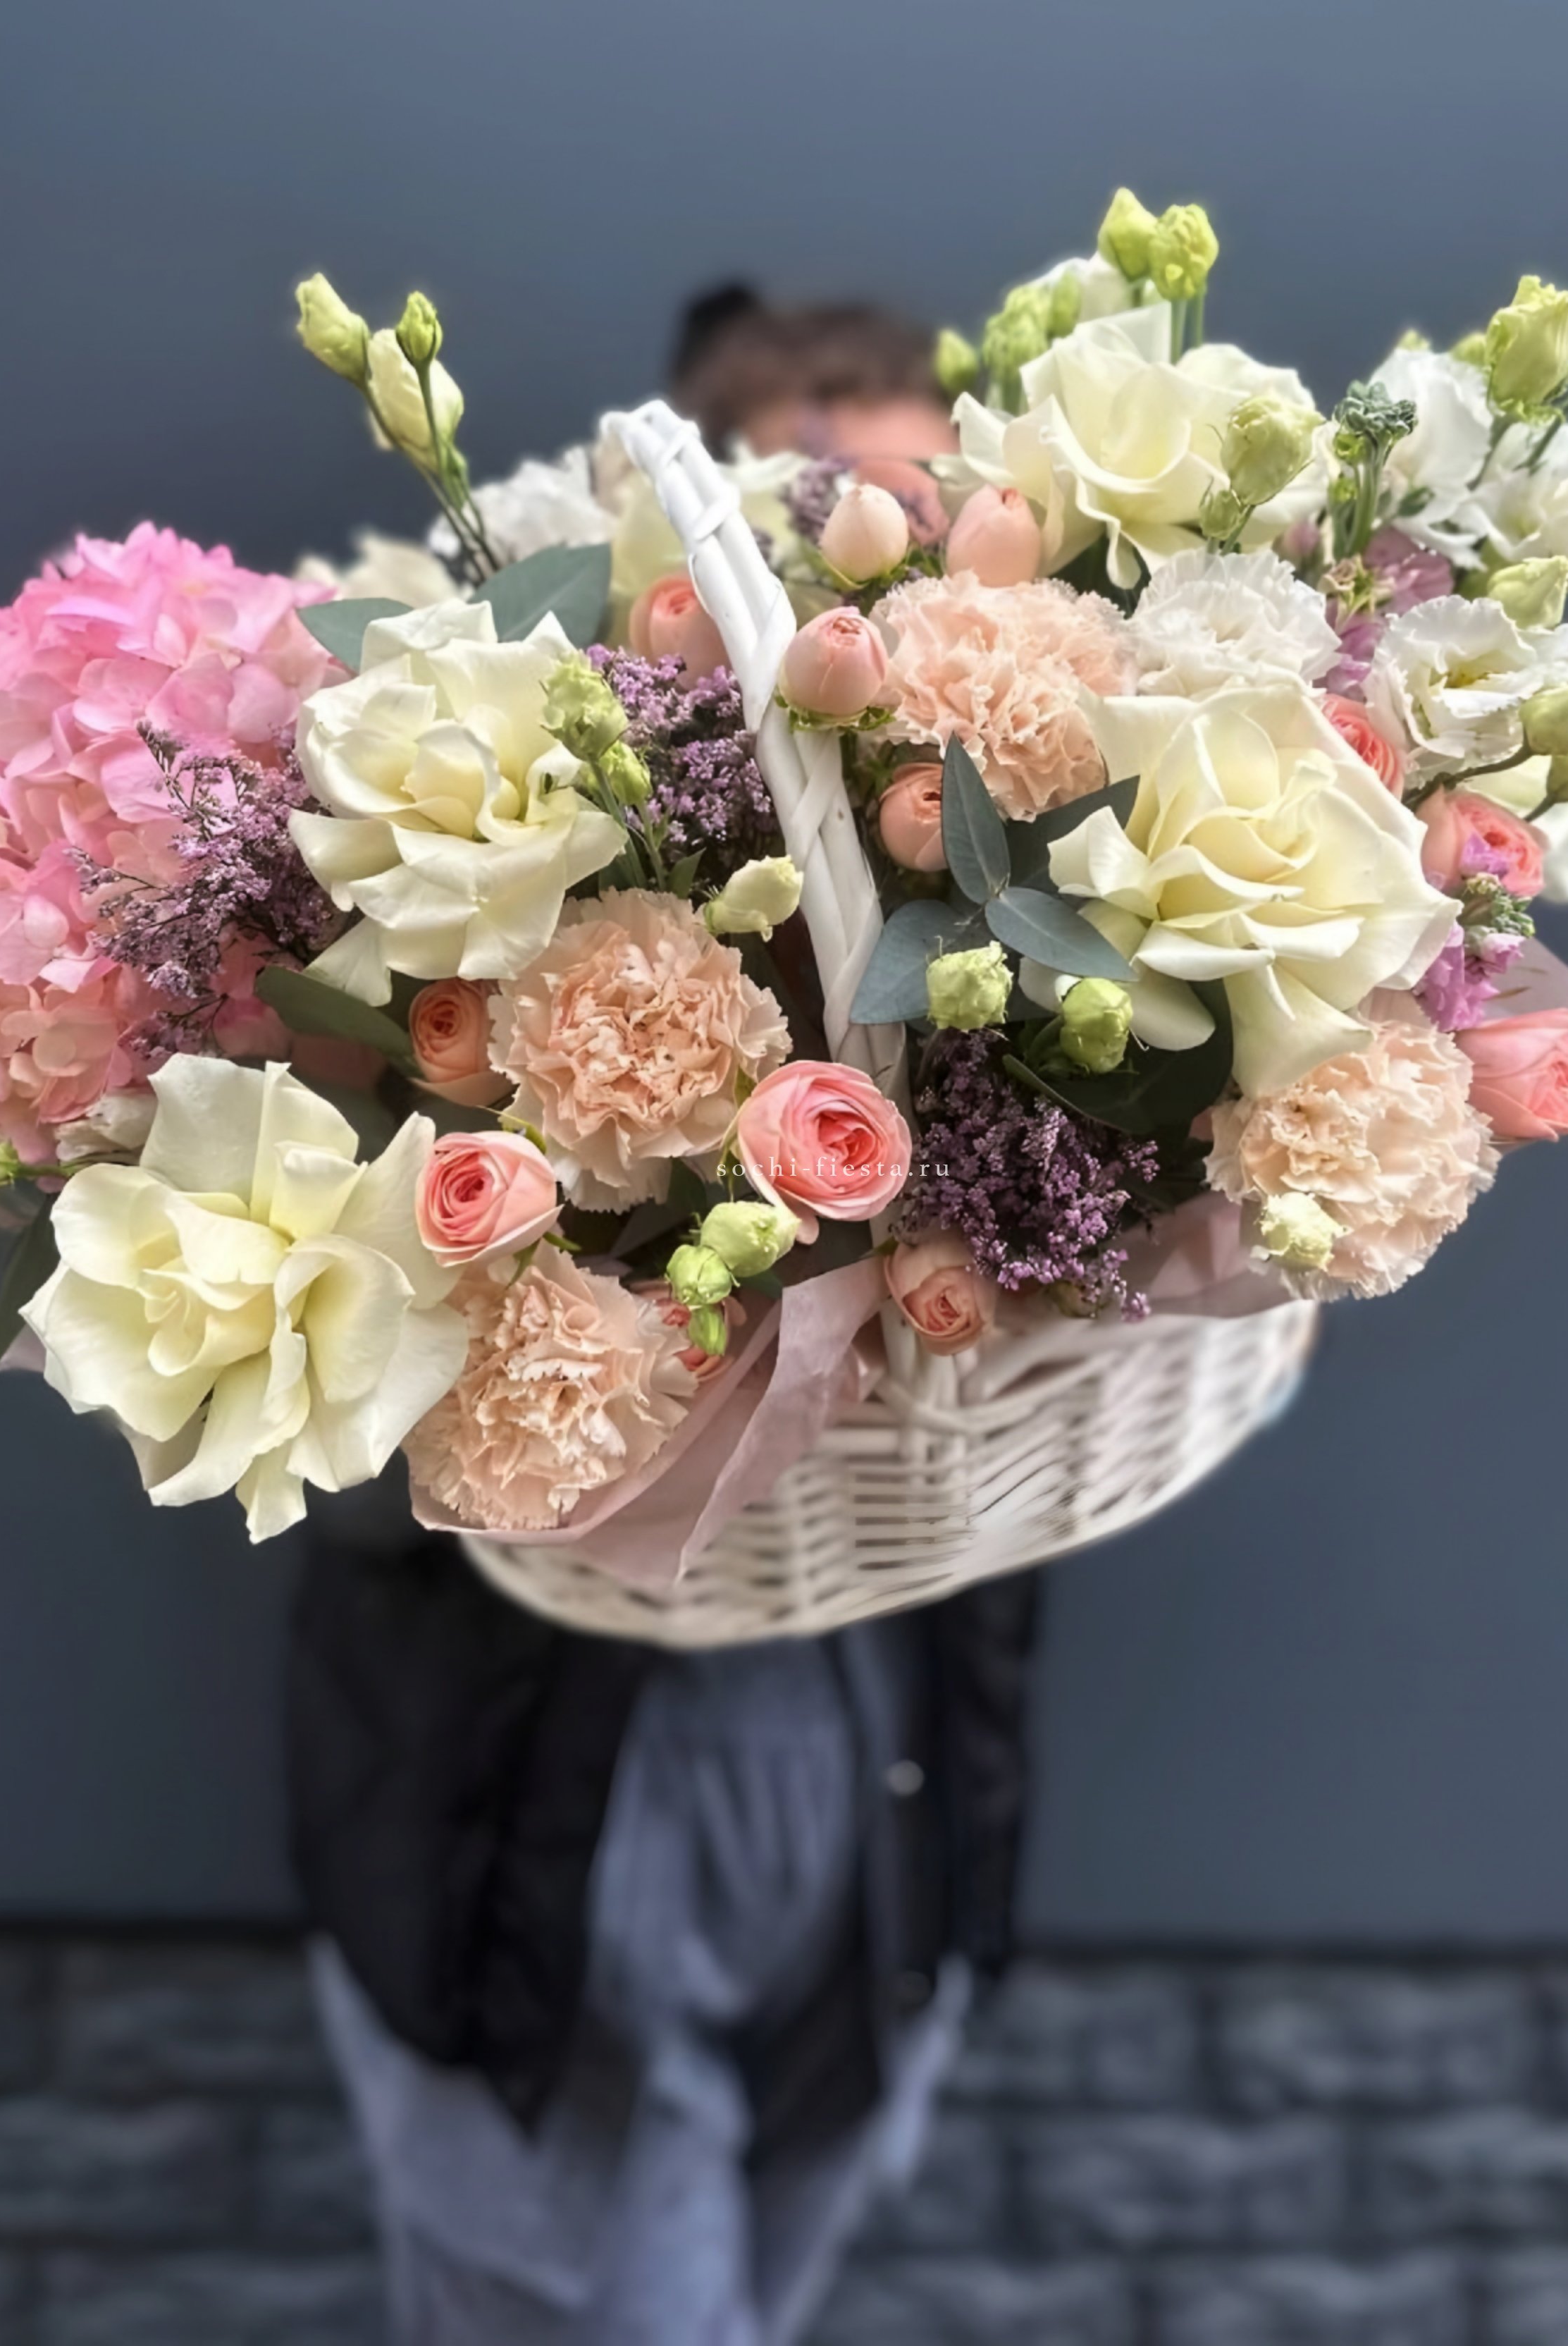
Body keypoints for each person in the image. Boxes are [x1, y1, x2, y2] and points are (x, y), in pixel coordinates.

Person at [289, 293, 1039, 2346]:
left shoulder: (1004, 896)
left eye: (931, 509)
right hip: (544, 1815)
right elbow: (335, 1414)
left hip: (877, 1800)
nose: (885, 561)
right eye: (831, 506)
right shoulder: (501, 903)